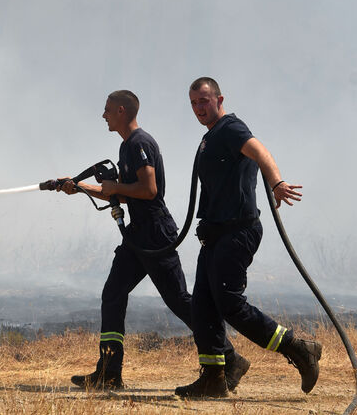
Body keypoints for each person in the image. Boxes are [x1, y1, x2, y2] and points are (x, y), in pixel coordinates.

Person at [57, 90, 247, 391]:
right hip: (139, 233)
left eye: (106, 110)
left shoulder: (139, 143)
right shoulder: (126, 146)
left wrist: (111, 186)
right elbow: (120, 190)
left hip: (155, 233)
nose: (103, 115)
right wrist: (79, 187)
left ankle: (229, 356)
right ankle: (108, 372)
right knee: (113, 293)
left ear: (122, 111)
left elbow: (148, 190)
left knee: (180, 301)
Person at [175, 77, 322, 399]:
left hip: (237, 231)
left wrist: (276, 183)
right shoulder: (210, 137)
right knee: (203, 306)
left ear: (219, 99)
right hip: (215, 234)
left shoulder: (230, 128)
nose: (199, 109)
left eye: (204, 101)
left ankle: (299, 348)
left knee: (229, 303)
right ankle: (214, 378)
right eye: (194, 104)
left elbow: (259, 150)